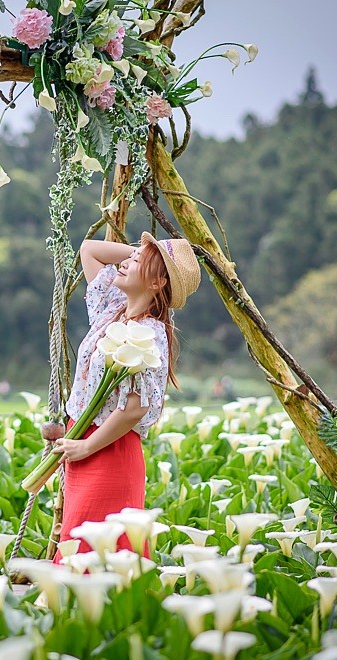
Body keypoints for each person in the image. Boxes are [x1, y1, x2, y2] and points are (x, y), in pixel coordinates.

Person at [51, 232, 201, 561]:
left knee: (95, 553)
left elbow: (135, 408)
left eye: (137, 262)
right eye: (131, 257)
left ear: (158, 283)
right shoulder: (111, 309)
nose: (126, 261)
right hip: (83, 443)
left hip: (108, 450)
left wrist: (87, 445)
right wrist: (145, 254)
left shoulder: (151, 332)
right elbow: (89, 250)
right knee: (78, 543)